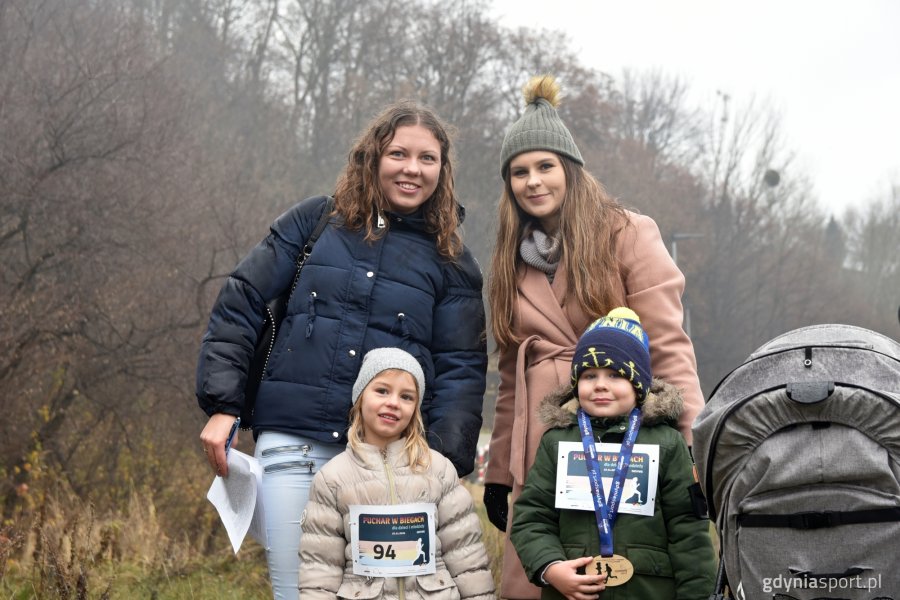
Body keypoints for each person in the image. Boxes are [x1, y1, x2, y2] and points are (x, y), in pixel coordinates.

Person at [196, 102, 488, 600]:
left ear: (443, 170)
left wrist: (439, 462)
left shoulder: (452, 261)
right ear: (373, 156)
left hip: (388, 464)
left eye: (427, 158)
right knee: (299, 593)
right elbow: (242, 300)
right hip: (293, 446)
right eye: (399, 153)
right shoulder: (314, 222)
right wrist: (223, 405)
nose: (412, 169)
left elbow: (462, 369)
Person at [483, 74, 706, 598]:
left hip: (623, 433)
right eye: (519, 172)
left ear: (571, 171)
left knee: (628, 565)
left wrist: (690, 445)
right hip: (547, 433)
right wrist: (498, 470)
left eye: (545, 167)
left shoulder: (627, 232)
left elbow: (668, 346)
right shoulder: (510, 260)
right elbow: (512, 376)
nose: (533, 181)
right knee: (541, 567)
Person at [509, 308, 716, 600]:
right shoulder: (556, 443)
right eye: (589, 375)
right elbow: (532, 517)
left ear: (639, 386)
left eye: (616, 375)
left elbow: (688, 533)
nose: (600, 385)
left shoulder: (668, 444)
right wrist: (551, 567)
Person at [298, 348, 495, 599]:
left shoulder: (439, 471)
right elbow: (320, 570)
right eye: (382, 390)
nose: (393, 402)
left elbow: (466, 557)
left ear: (416, 407)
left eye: (407, 397)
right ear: (360, 396)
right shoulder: (332, 478)